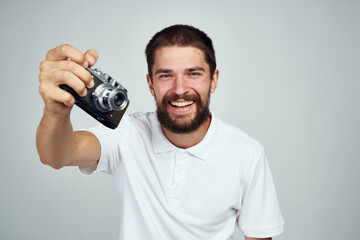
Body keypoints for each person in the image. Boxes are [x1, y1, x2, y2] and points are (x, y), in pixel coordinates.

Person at [36, 24, 284, 240]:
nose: (179, 89)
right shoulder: (127, 134)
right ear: (150, 84)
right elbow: (57, 155)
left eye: (193, 73)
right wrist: (56, 113)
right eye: (166, 75)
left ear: (214, 80)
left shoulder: (247, 154)